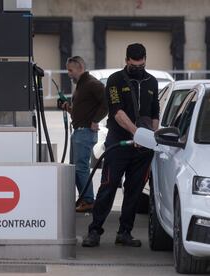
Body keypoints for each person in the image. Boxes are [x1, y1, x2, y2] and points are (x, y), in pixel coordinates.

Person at [82, 43, 159, 247]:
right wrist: (137, 133)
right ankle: (94, 231)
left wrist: (150, 137)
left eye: (141, 65)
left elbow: (155, 114)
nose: (138, 69)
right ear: (126, 61)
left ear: (145, 61)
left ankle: (125, 232)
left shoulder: (152, 82)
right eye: (134, 66)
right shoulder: (115, 81)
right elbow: (117, 112)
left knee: (134, 191)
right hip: (119, 143)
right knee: (108, 187)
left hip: (142, 148)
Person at [61, 56, 108, 213]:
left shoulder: (92, 83)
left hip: (85, 132)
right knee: (75, 168)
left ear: (80, 67)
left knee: (81, 168)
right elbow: (83, 110)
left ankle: (88, 200)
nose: (68, 73)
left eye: (70, 70)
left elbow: (107, 102)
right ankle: (84, 199)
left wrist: (95, 120)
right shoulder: (82, 85)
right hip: (79, 131)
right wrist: (69, 108)